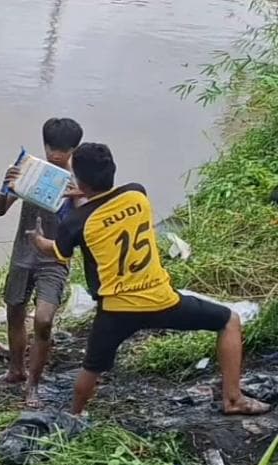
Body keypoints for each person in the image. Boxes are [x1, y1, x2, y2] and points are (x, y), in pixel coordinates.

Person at [27, 142, 270, 416]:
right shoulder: (136, 194)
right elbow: (108, 205)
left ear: (79, 180)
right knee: (228, 320)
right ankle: (234, 398)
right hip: (161, 300)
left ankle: (75, 415)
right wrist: (85, 192)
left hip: (116, 310)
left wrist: (38, 240)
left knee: (91, 368)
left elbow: (59, 251)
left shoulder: (77, 222)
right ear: (112, 171)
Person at [0, 117, 84, 405]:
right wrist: (8, 185)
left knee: (44, 320)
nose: (56, 156)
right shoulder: (29, 170)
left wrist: (78, 197)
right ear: (44, 146)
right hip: (22, 255)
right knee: (15, 313)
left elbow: (87, 224)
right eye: (52, 149)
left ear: (73, 149)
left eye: (63, 151)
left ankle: (33, 384)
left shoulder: (79, 181)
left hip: (54, 259)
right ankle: (15, 369)